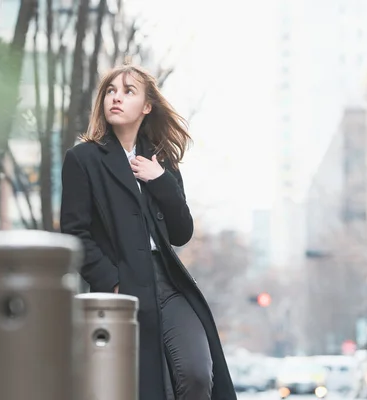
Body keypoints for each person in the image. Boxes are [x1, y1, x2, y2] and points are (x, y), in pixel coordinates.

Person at [60, 64, 236, 400]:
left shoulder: (160, 159)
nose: (116, 97)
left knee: (197, 374)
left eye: (128, 91)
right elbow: (75, 233)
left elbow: (181, 232)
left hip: (169, 283)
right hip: (121, 286)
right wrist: (111, 282)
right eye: (111, 90)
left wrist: (160, 180)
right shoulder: (83, 159)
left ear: (146, 106)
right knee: (140, 388)